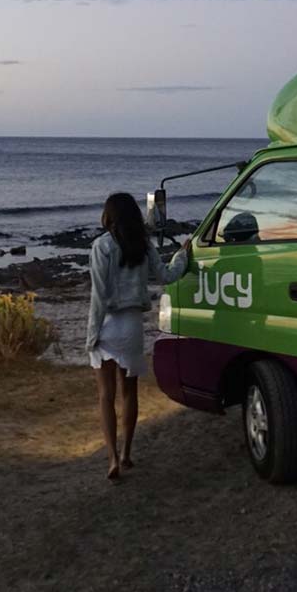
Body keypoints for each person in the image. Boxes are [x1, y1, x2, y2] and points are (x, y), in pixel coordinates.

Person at [87, 192, 191, 480]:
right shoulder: (144, 247)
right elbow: (168, 276)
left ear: (108, 216)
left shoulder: (101, 246)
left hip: (107, 325)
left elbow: (98, 295)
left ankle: (111, 458)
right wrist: (183, 254)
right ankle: (127, 454)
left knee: (105, 396)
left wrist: (91, 335)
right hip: (131, 326)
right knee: (129, 393)